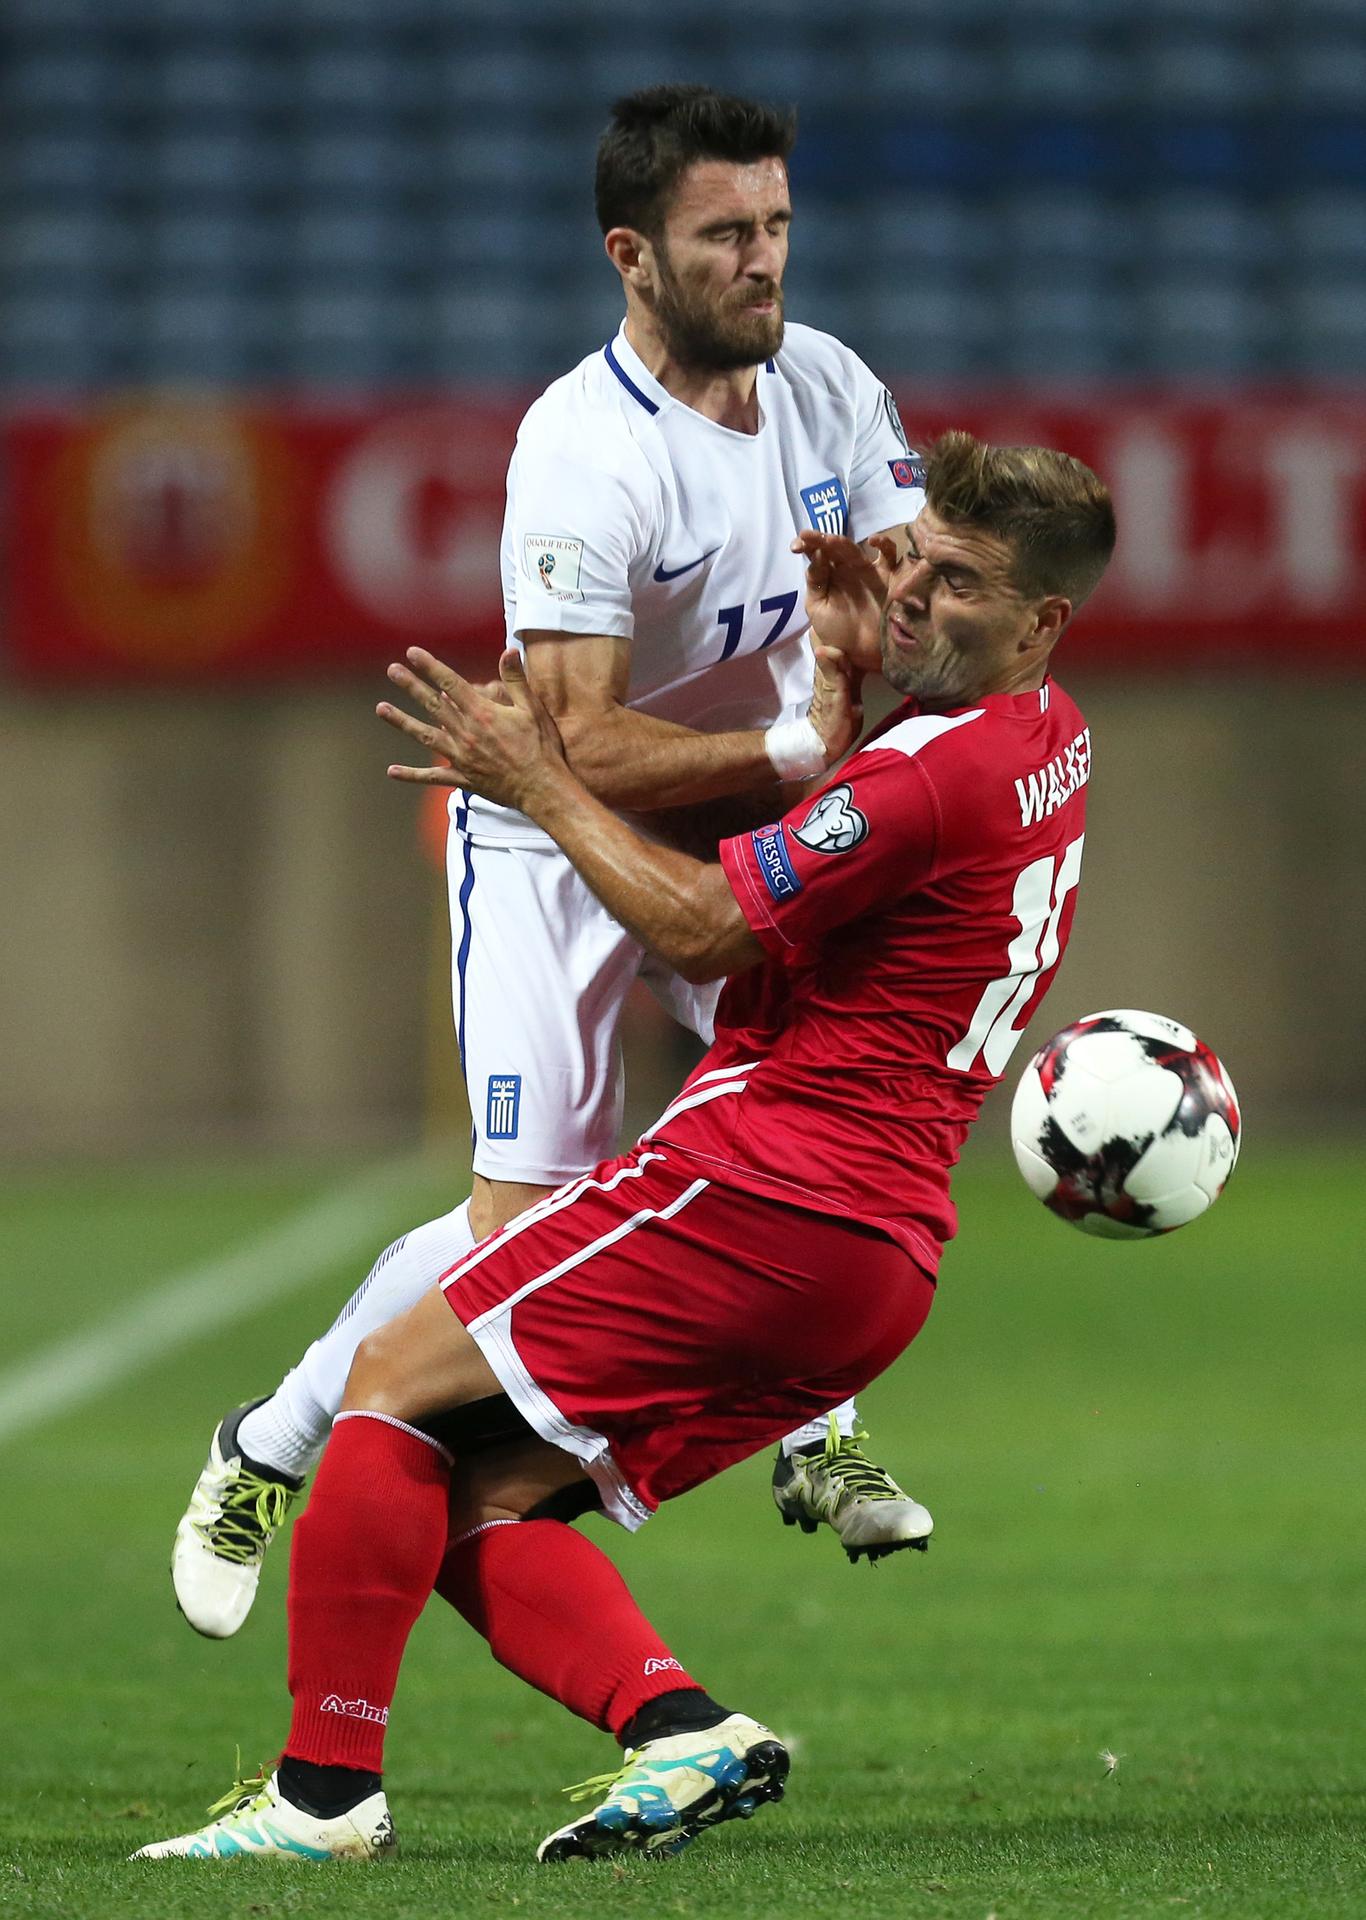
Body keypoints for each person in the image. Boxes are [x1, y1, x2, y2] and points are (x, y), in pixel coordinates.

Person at [135, 429, 1117, 1864]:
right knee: (472, 1499)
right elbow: (866, 847)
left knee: (386, 1381)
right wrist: (844, 688)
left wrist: (535, 778)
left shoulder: (928, 777)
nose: (913, 593)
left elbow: (710, 925)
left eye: (958, 582)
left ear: (1041, 622)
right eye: (916, 558)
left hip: (763, 1187)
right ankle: (678, 1730)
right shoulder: (1051, 740)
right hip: (879, 1263)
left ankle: (320, 1800)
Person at [172, 83, 936, 1642]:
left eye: (777, 225)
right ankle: (264, 1446)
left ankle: (817, 1434)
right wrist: (800, 746)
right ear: (630, 255)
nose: (763, 260)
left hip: (738, 830)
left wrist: (896, 649)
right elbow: (574, 741)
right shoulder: (581, 451)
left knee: (830, 1124)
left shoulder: (833, 391)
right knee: (524, 1214)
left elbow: (905, 613)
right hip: (544, 832)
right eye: (725, 234)